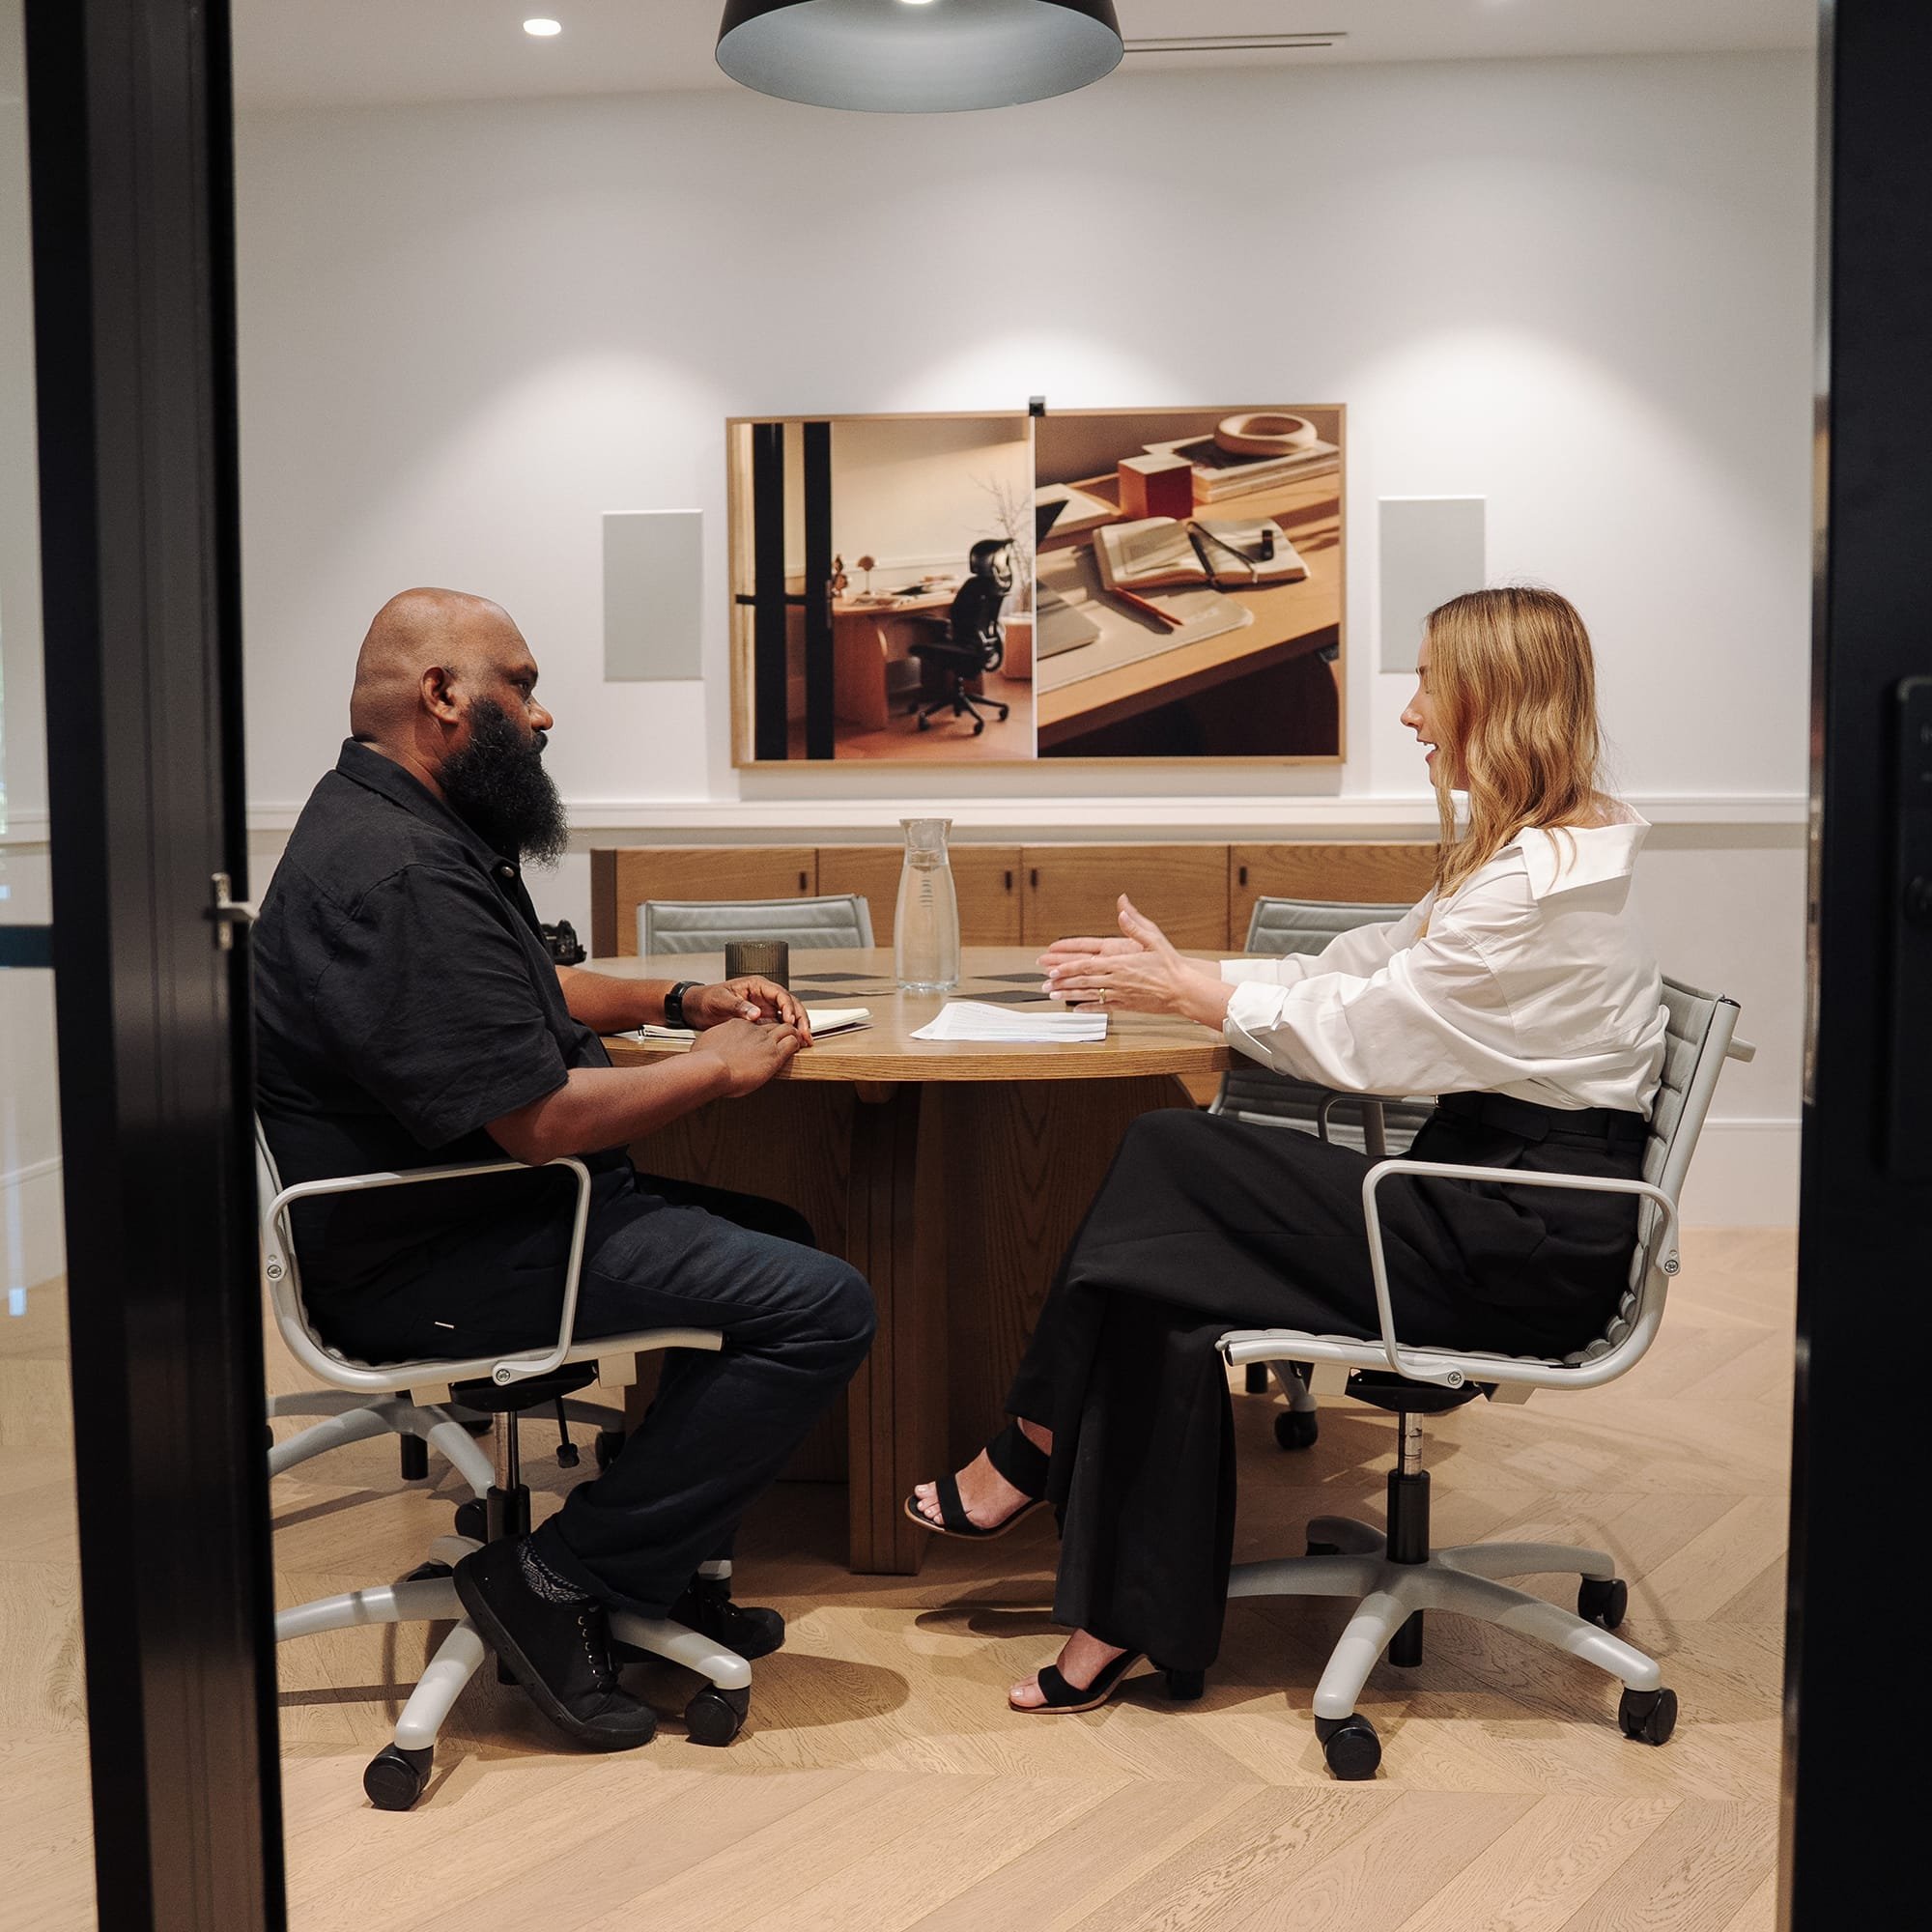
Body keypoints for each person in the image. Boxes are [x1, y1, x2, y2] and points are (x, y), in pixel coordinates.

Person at [907, 585, 1667, 1715]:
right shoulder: (1540, 853)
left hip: (1513, 1240)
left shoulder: (1531, 889)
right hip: (1480, 1194)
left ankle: (1028, 1447)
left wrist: (1190, 992)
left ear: (1492, 697)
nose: (1408, 712)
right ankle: (1120, 1616)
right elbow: (1368, 964)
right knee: (1159, 1277)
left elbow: (1364, 1036)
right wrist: (1199, 976)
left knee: (1167, 1151)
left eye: (1426, 682)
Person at [255, 587, 875, 1751]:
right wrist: (716, 1069)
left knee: (783, 1241)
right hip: (439, 1251)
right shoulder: (396, 869)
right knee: (822, 1305)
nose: (542, 715)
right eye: (523, 685)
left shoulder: (402, 821)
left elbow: (532, 986)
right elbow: (538, 1121)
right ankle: (557, 1575)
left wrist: (682, 997)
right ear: (444, 694)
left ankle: (652, 1564)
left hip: (480, 1216)